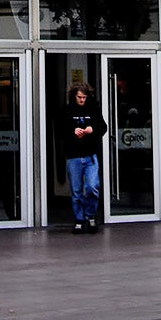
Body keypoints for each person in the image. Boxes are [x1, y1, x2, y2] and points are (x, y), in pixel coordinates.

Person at [58, 82, 106, 234]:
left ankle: (90, 215)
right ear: (74, 96)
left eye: (84, 97)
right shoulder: (67, 110)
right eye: (79, 97)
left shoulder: (94, 109)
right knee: (77, 190)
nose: (82, 100)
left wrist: (92, 129)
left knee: (93, 187)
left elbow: (103, 127)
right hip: (73, 155)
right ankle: (79, 219)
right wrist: (73, 131)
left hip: (90, 155)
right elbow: (60, 130)